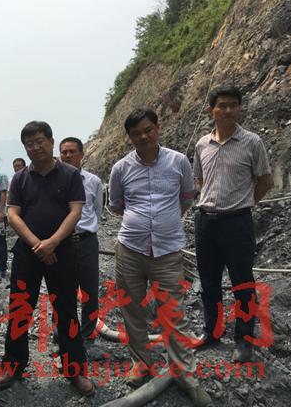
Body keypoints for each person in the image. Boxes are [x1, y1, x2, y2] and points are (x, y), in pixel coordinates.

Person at [109, 109, 212, 407]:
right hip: (130, 249)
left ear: (158, 128)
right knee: (132, 309)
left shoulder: (178, 161)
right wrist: (141, 222)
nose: (143, 136)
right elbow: (116, 205)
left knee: (173, 313)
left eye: (147, 130)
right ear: (129, 137)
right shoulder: (121, 168)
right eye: (136, 133)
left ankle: (185, 376)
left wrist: (166, 222)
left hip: (167, 252)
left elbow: (187, 197)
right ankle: (141, 363)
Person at [0, 121, 94, 397]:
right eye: (29, 144)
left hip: (62, 251)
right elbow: (13, 215)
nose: (35, 147)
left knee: (66, 310)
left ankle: (75, 370)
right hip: (28, 252)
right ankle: (13, 366)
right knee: (19, 310)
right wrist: (38, 245)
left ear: (51, 142)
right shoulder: (19, 178)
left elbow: (75, 212)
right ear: (25, 148)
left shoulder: (70, 174)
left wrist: (52, 243)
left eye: (40, 141)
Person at [193, 85, 273, 363]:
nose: (228, 110)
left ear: (240, 108)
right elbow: (201, 179)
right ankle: (211, 332)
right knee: (208, 282)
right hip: (205, 223)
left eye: (234, 105)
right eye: (222, 105)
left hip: (237, 223)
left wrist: (244, 203)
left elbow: (265, 180)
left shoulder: (252, 142)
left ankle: (244, 339)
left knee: (242, 283)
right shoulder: (202, 144)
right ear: (211, 110)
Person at [59, 137, 103, 341]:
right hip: (62, 242)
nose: (68, 155)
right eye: (64, 152)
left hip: (86, 241)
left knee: (89, 288)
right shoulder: (54, 180)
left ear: (82, 154)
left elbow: (97, 210)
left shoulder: (93, 181)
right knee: (61, 288)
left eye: (72, 151)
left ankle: (87, 332)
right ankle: (63, 332)